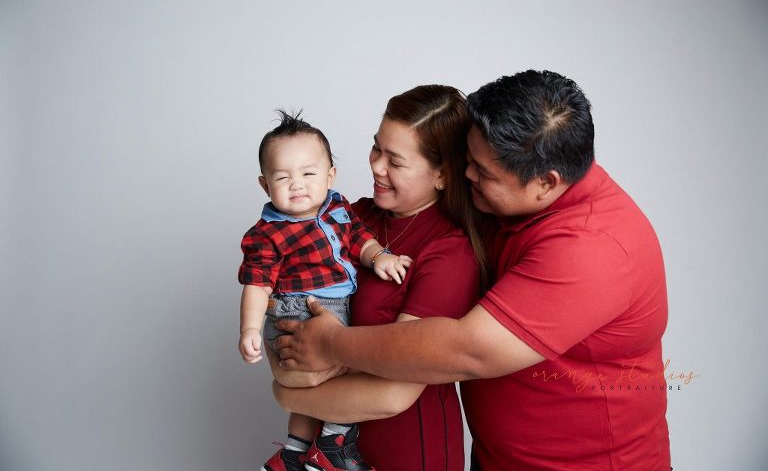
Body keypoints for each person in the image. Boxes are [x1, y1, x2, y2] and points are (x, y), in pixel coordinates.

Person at [276, 71, 672, 470]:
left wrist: (326, 349)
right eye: (467, 160)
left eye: (483, 173)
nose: (467, 177)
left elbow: (466, 350)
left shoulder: (592, 247)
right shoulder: (501, 209)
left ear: (546, 183)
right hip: (496, 458)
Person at [270, 85, 489, 470]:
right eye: (377, 148)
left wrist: (289, 395)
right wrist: (290, 375)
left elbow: (391, 395)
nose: (376, 165)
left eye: (396, 161)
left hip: (405, 451)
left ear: (442, 174)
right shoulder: (351, 218)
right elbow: (283, 322)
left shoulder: (450, 252)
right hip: (318, 455)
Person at [237, 111, 413, 471]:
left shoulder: (338, 207)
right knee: (351, 368)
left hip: (334, 301)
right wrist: (250, 330)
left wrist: (377, 256)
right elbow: (257, 283)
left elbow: (358, 238)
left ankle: (293, 453)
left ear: (330, 175)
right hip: (299, 307)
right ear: (264, 184)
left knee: (312, 391)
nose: (297, 184)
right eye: (282, 177)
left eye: (309, 174)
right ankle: (333, 442)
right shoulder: (267, 233)